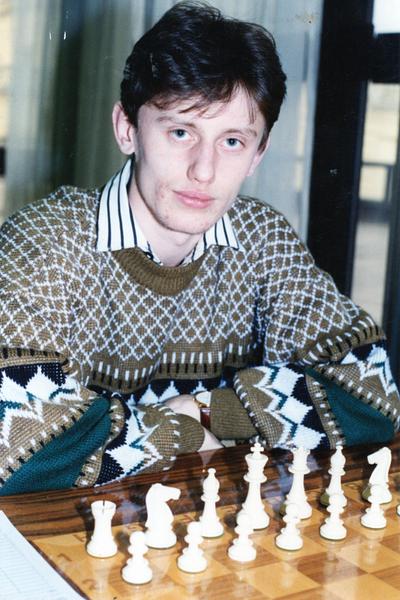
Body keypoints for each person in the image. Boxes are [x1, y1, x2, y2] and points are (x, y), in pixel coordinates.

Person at [0, 1, 398, 495]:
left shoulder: (262, 240)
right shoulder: (43, 242)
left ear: (258, 154)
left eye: (232, 142)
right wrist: (180, 428)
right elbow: (18, 450)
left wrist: (209, 409)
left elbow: (373, 397)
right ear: (127, 129)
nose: (203, 171)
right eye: (180, 132)